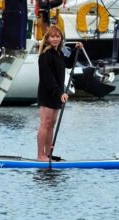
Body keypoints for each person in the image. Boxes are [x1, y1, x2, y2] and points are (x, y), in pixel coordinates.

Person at [37, 25, 83, 161]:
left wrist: (76, 50)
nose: (55, 39)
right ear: (47, 39)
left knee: (52, 124)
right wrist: (59, 93)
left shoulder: (59, 53)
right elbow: (48, 78)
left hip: (57, 93)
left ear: (61, 38)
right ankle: (40, 155)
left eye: (58, 36)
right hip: (48, 93)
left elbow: (68, 64)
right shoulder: (45, 55)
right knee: (45, 123)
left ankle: (47, 154)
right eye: (52, 36)